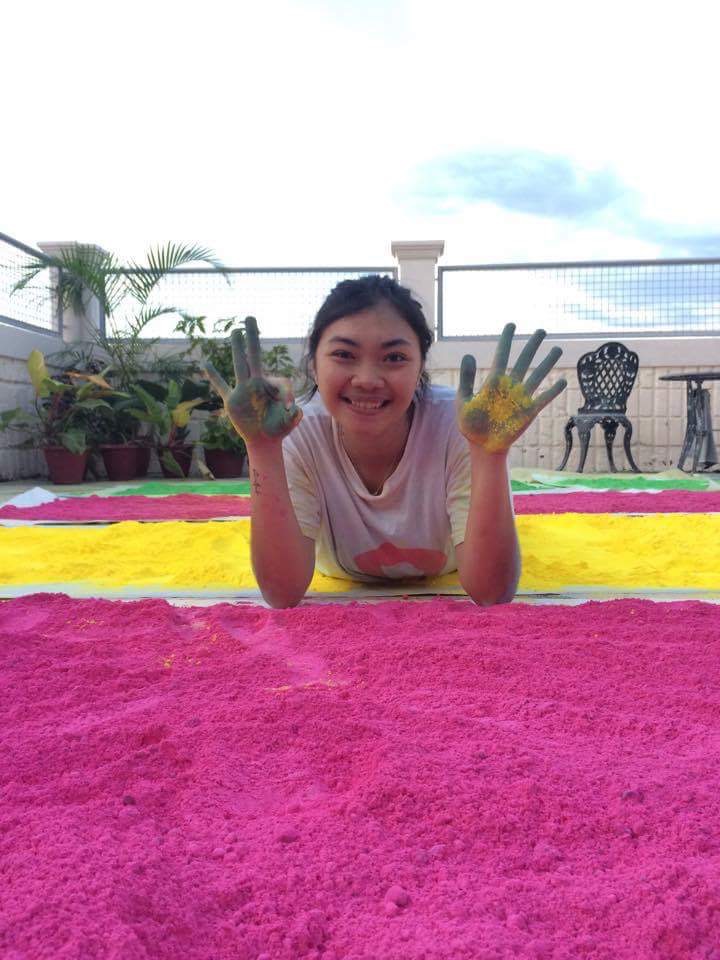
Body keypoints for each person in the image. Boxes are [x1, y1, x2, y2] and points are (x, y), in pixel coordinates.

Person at [202, 275, 566, 608]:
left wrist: (490, 456)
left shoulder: (460, 423)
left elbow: (492, 593)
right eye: (344, 355)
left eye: (394, 357)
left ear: (420, 367)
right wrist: (262, 449)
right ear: (314, 364)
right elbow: (282, 593)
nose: (367, 379)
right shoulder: (295, 429)